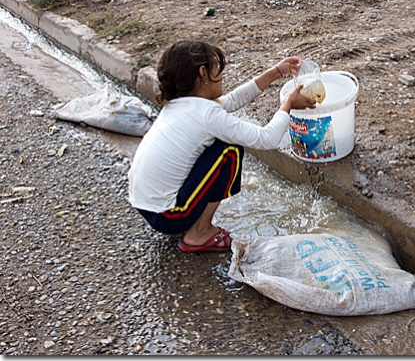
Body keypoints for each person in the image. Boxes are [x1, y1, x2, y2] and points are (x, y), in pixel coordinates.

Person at [127, 40, 316, 253]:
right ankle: (199, 233)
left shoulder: (180, 105)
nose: (222, 73)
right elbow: (267, 139)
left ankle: (193, 221)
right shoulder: (207, 114)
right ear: (203, 73)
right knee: (229, 151)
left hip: (146, 204)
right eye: (217, 67)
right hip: (168, 216)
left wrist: (276, 72)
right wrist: (288, 104)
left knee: (217, 146)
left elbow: (233, 100)